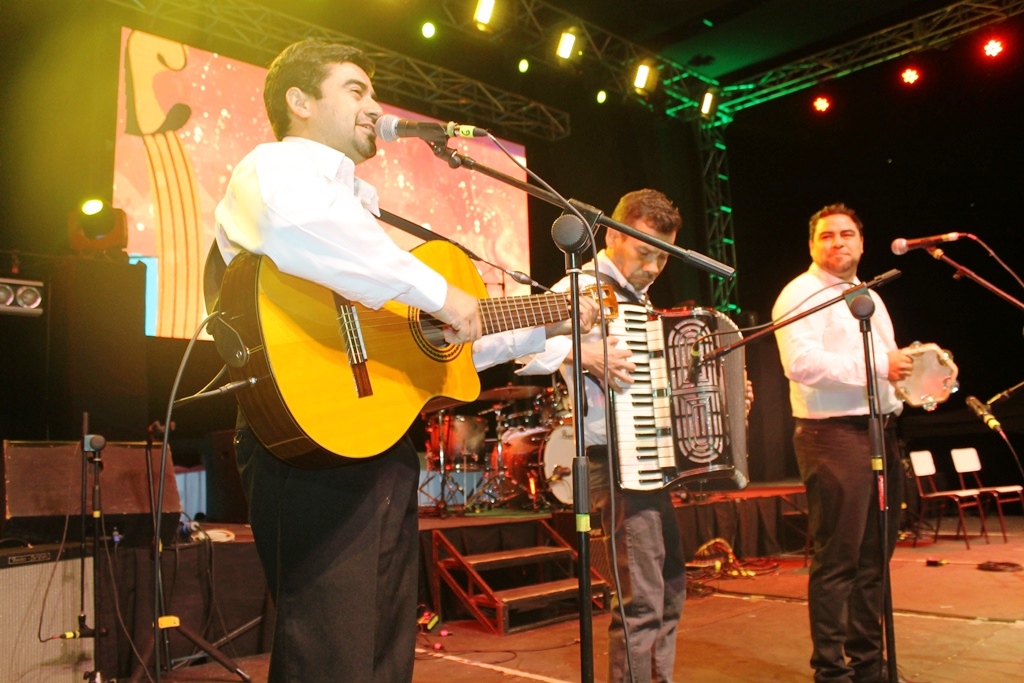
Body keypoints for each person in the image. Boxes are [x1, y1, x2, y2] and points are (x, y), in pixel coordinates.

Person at [210, 39, 595, 682]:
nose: (375, 106)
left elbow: (441, 343)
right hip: (309, 439)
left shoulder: (361, 216)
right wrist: (441, 293)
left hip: (378, 440)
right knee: (330, 654)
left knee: (384, 651)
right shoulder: (273, 169)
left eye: (373, 91)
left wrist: (544, 323)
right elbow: (293, 226)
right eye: (355, 90)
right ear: (299, 101)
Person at [518, 189, 686, 683]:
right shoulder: (580, 286)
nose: (653, 267)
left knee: (669, 589)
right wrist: (581, 354)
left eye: (663, 257)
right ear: (613, 235)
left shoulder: (637, 298)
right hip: (612, 459)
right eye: (645, 252)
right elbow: (521, 346)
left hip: (646, 457)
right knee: (642, 601)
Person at [772, 203, 913, 683]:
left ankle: (868, 664)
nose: (838, 242)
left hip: (879, 431)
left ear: (862, 243)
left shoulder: (868, 294)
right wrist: (881, 368)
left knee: (875, 557)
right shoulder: (800, 294)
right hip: (832, 436)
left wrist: (912, 385)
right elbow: (801, 364)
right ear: (812, 245)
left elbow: (887, 365)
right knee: (839, 559)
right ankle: (831, 671)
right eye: (827, 236)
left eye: (847, 234)